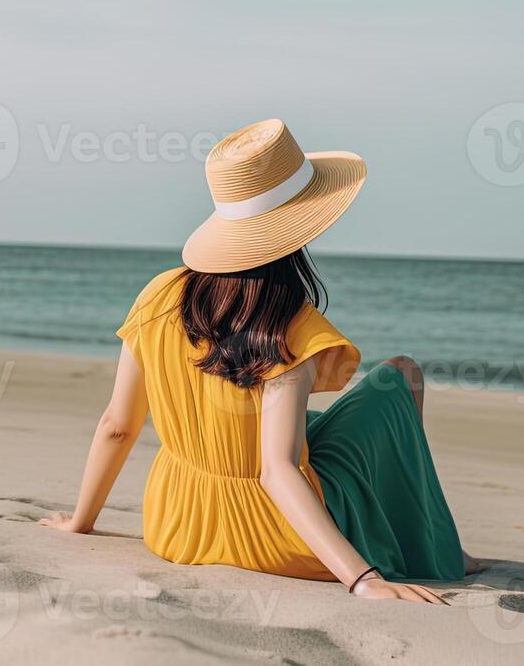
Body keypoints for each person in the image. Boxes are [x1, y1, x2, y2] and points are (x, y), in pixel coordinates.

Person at [41, 119, 479, 602]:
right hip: (281, 540)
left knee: (304, 422)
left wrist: (80, 522)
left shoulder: (157, 295)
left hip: (177, 527)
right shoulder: (291, 327)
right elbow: (276, 470)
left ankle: (432, 545)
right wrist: (362, 579)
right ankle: (431, 545)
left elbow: (117, 425)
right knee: (400, 375)